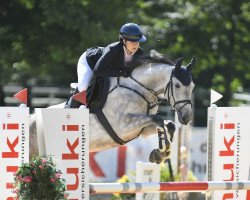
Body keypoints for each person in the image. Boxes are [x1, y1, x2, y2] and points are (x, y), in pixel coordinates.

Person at [65, 23, 147, 108]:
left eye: (137, 41)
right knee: (83, 87)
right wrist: (123, 72)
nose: (135, 45)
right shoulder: (112, 49)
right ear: (123, 40)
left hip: (106, 69)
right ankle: (70, 109)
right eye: (132, 41)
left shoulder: (139, 53)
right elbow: (98, 71)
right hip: (89, 62)